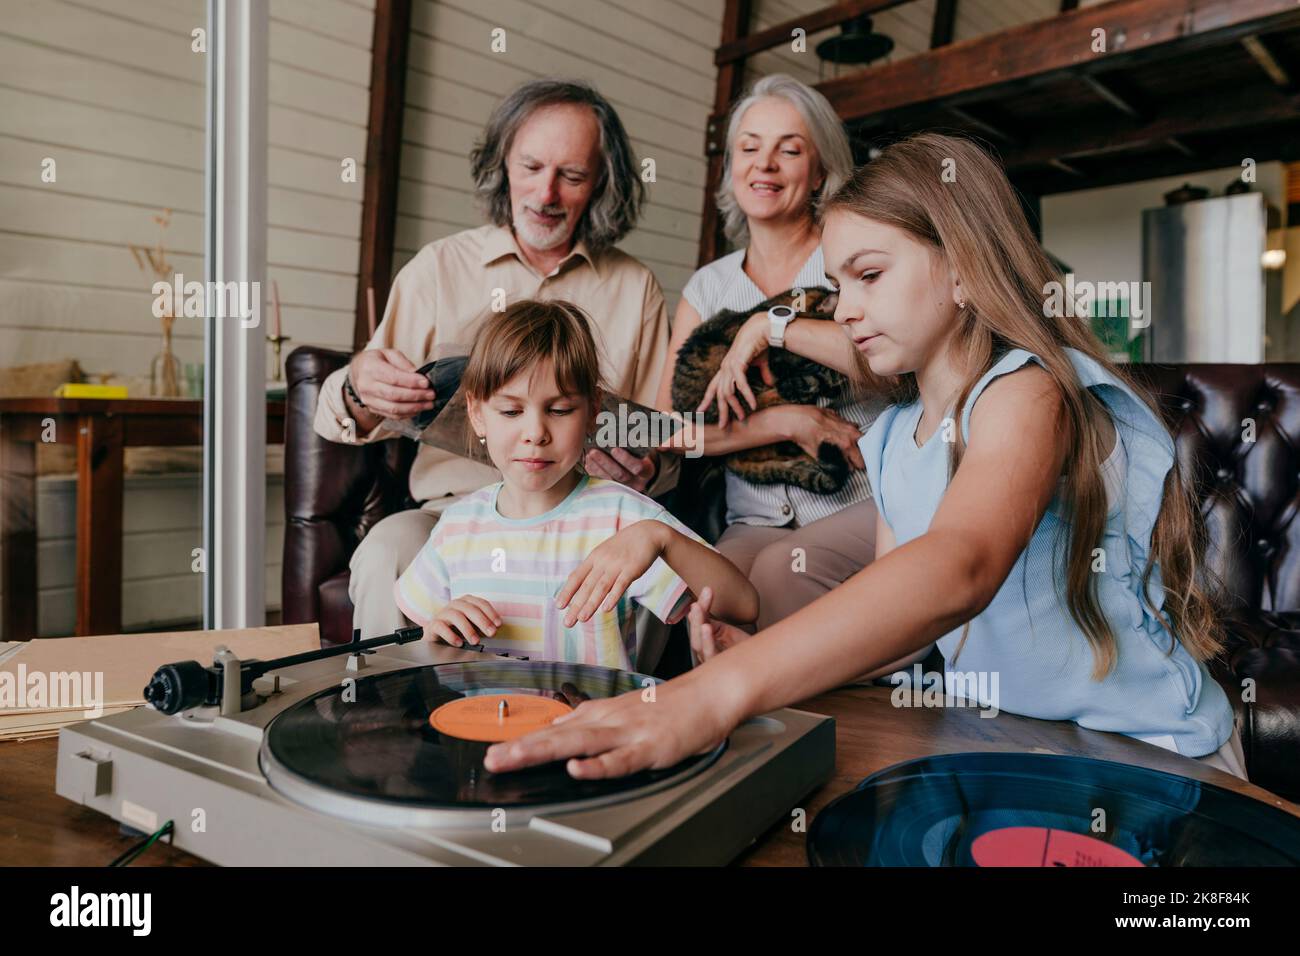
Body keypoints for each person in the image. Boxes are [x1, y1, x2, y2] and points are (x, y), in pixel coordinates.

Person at [483, 133, 1246, 782]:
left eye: (869, 276)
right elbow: (907, 623)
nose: (844, 308)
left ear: (962, 266)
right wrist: (771, 656)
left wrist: (714, 692)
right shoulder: (888, 440)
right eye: (836, 284)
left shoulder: (1028, 393)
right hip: (1025, 748)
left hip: (1155, 754)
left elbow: (960, 568)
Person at [312, 79, 678, 646]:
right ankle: (385, 719)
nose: (545, 193)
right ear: (503, 161)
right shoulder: (438, 269)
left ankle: (617, 719)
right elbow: (346, 412)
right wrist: (362, 386)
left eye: (572, 176)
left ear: (602, 182)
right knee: (385, 550)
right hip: (453, 516)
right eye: (530, 167)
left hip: (586, 512)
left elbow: (662, 440)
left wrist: (648, 468)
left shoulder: (635, 289)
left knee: (652, 562)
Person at [655, 75, 894, 640]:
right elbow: (663, 427)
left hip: (863, 501)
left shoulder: (851, 252)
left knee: (783, 580)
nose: (765, 165)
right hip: (755, 519)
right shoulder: (708, 288)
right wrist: (785, 421)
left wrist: (774, 327)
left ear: (819, 171)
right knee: (707, 607)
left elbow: (892, 365)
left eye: (789, 150)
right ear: (731, 167)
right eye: (749, 148)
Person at [394, 300, 757, 670]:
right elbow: (426, 641)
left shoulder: (625, 521)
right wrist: (435, 635)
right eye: (511, 411)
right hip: (479, 723)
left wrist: (660, 538)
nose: (535, 433)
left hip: (592, 723)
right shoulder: (456, 526)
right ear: (476, 414)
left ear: (592, 412)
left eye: (560, 410)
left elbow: (743, 604)